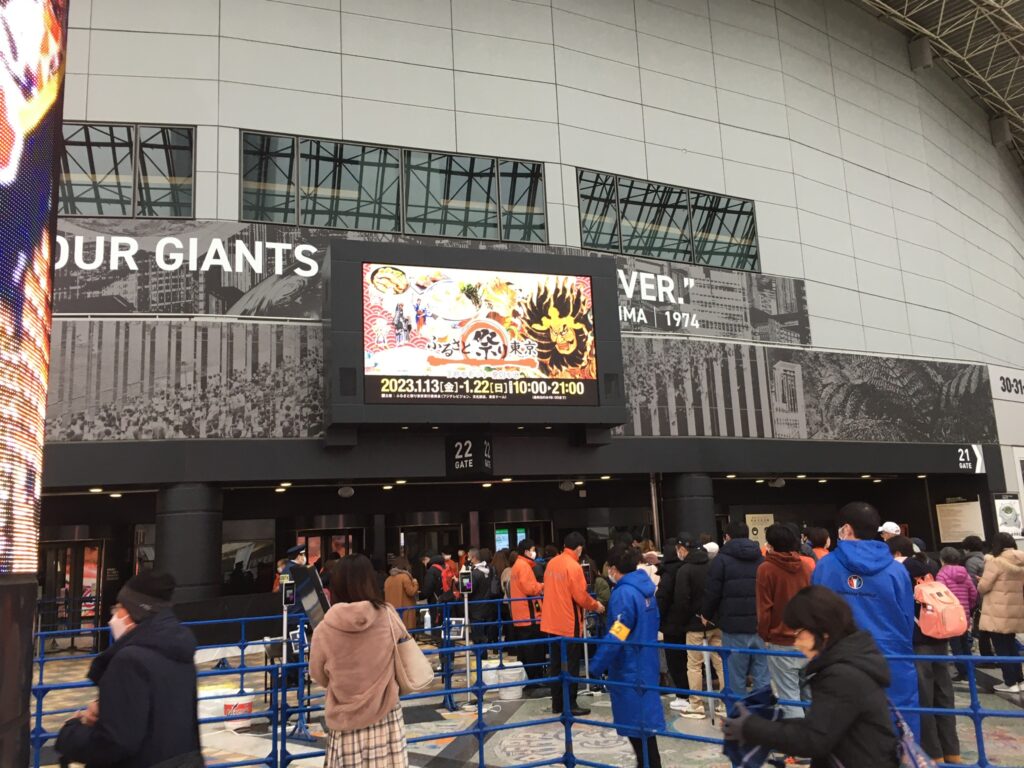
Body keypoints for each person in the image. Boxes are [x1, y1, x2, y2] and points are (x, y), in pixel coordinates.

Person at [723, 586, 899, 768]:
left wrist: (752, 727)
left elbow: (814, 740)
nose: (796, 643)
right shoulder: (852, 664)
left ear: (823, 632)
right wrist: (767, 723)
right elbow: (824, 725)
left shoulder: (842, 676)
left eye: (799, 634)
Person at [55, 571, 202, 768]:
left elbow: (116, 742)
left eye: (119, 608)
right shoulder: (179, 651)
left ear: (135, 612)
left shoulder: (129, 660)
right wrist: (108, 709)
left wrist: (71, 732)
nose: (114, 616)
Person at [811, 502, 919, 738]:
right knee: (895, 734)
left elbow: (815, 617)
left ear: (846, 530)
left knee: (843, 736)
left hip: (840, 662)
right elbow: (906, 621)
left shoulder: (826, 567)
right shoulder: (896, 570)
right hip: (892, 662)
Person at [309, 554, 409, 767]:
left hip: (346, 721)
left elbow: (317, 674)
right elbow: (404, 649)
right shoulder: (387, 616)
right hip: (386, 716)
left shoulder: (324, 629)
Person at [590, 545, 665, 768]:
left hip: (629, 668)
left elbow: (618, 632)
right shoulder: (647, 590)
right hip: (647, 662)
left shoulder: (624, 593)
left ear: (613, 568)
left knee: (637, 728)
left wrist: (597, 664)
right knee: (645, 730)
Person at [888, 536, 960, 762]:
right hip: (941, 636)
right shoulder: (931, 565)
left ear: (896, 553)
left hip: (918, 640)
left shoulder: (899, 569)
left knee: (924, 697)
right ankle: (952, 752)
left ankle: (933, 754)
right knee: (944, 695)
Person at [540, 531, 605, 716]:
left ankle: (557, 704)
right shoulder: (574, 567)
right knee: (571, 665)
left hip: (550, 622)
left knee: (555, 665)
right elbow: (580, 596)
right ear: (578, 548)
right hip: (569, 623)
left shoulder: (552, 563)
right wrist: (596, 606)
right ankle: (570, 704)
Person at [701, 521, 768, 698]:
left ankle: (739, 720)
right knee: (762, 675)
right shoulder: (761, 558)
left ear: (727, 537)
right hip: (759, 626)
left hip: (733, 628)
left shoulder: (721, 561)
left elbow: (712, 592)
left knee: (735, 677)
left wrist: (706, 614)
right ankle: (762, 720)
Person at [757, 524, 813, 719]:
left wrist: (765, 634)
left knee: (789, 697)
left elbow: (765, 608)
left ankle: (798, 747)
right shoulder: (807, 566)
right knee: (809, 695)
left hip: (781, 640)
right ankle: (818, 741)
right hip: (808, 639)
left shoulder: (766, 569)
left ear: (771, 544)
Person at [666, 533, 723, 718]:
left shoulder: (685, 570)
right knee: (721, 662)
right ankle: (725, 702)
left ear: (683, 549)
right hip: (715, 622)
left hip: (694, 625)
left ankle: (696, 705)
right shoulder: (713, 565)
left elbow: (681, 601)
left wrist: (681, 623)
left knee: (694, 665)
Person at [977, 533, 1024, 693]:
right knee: (1011, 645)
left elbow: (984, 587)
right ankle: (1020, 679)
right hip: (1014, 608)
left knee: (1001, 647)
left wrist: (979, 582)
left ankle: (1010, 682)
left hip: (997, 610)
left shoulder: (995, 562)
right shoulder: (1021, 559)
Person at [937, 547, 978, 681]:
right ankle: (969, 669)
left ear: (942, 559)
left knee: (955, 645)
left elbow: (940, 595)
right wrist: (968, 607)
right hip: (964, 613)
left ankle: (962, 671)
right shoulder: (964, 574)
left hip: (949, 614)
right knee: (965, 643)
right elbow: (973, 593)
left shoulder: (942, 575)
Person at [510, 538, 546, 689]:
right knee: (534, 650)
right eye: (532, 549)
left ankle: (531, 680)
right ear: (526, 551)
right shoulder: (524, 566)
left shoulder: (517, 566)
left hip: (520, 615)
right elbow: (529, 588)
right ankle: (535, 680)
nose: (534, 552)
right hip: (529, 616)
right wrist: (543, 585)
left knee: (526, 650)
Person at [467, 547, 498, 649]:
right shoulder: (488, 570)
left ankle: (481, 657)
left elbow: (469, 589)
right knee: (485, 634)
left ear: (473, 558)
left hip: (476, 608)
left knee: (478, 636)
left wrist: (461, 580)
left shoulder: (474, 573)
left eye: (469, 557)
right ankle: (484, 655)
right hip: (487, 605)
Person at [384, 556, 420, 632]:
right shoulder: (405, 577)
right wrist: (415, 583)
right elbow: (411, 592)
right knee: (406, 636)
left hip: (392, 613)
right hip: (405, 612)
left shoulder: (388, 579)